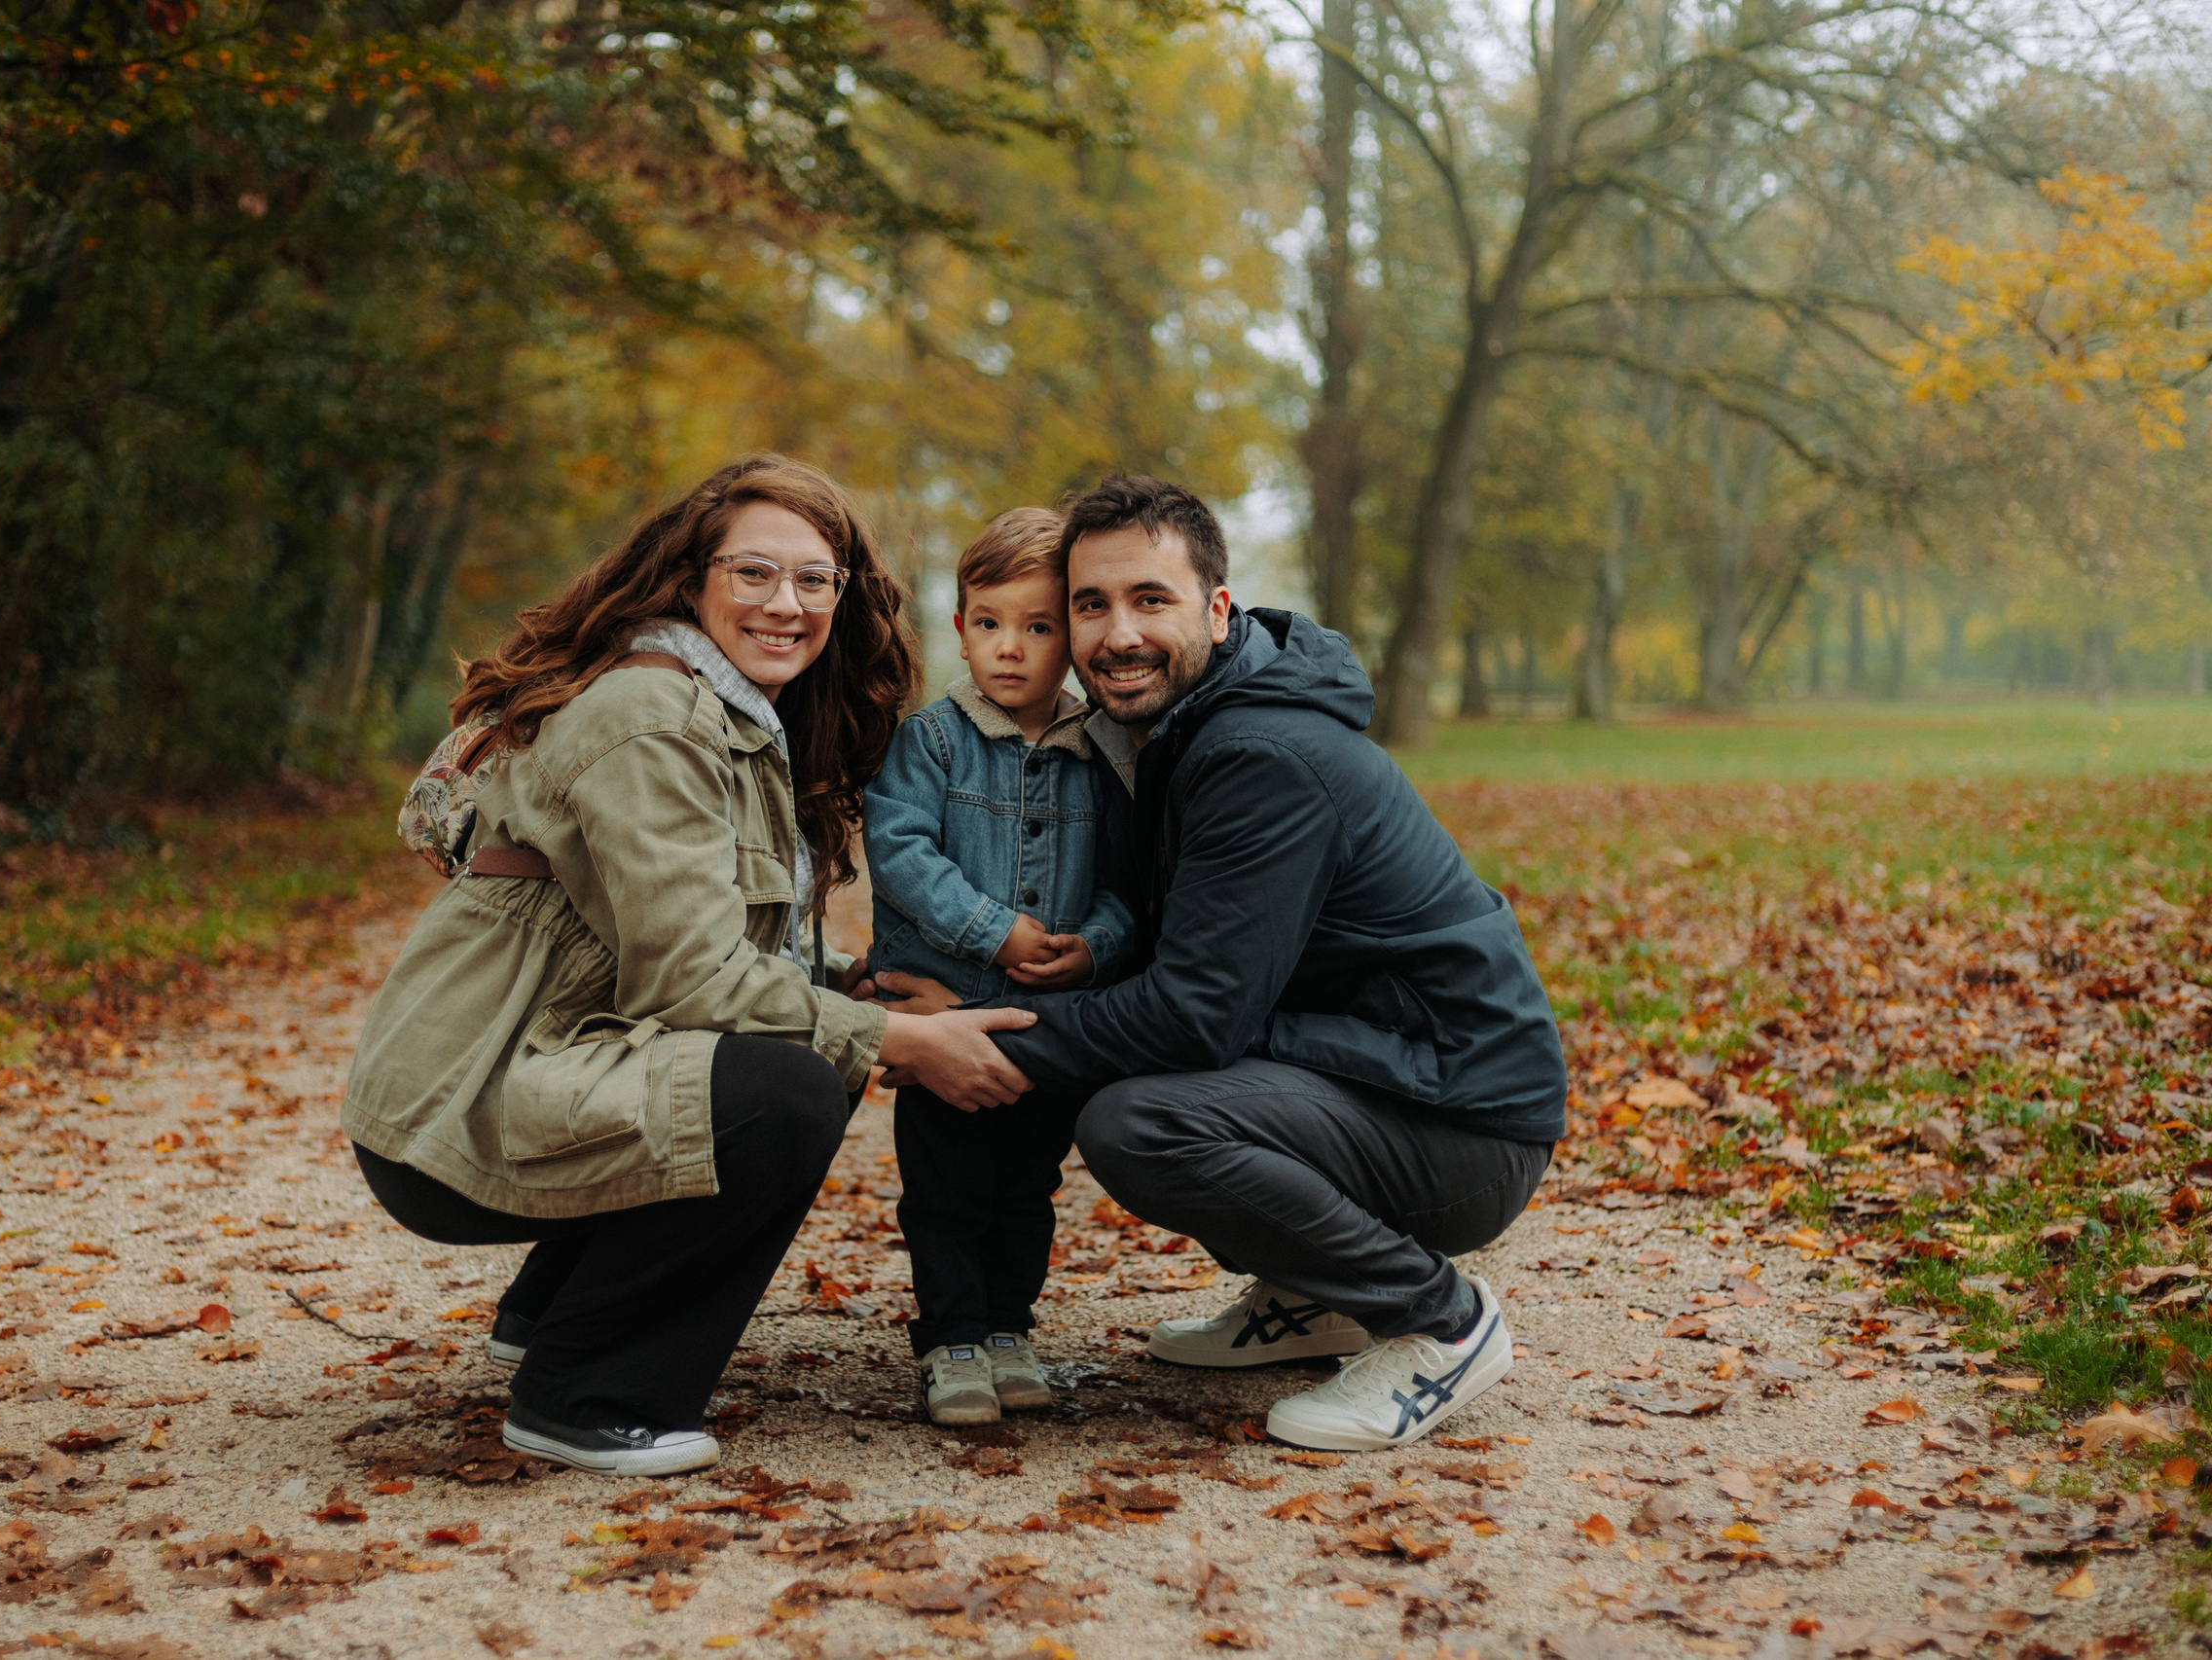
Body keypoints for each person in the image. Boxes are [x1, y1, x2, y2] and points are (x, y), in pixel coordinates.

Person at [341, 455, 1037, 1478]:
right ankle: (586, 1392)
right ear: (692, 573)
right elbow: (691, 980)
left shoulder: (724, 714)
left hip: (521, 1071)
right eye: (753, 571)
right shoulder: (652, 716)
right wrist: (900, 1040)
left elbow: (707, 943)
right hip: (460, 1106)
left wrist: (858, 985)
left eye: (815, 580)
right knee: (791, 1089)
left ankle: (549, 1315)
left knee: (809, 1036)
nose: (785, 603)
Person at [876, 475, 1568, 1452]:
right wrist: (927, 991)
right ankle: (1310, 1298)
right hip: (1369, 1075)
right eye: (1090, 604)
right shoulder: (1173, 731)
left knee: (1140, 1118)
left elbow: (1196, 1015)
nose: (1118, 633)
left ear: (1217, 607)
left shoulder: (1259, 753)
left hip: (1459, 1119)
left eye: (1149, 599)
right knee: (1138, 1077)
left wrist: (976, 1037)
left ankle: (1436, 1320)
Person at [860, 507, 1136, 1427]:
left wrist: (1094, 942)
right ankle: (951, 1340)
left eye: (1038, 626)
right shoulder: (933, 741)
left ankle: (1010, 1327)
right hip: (949, 1015)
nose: (1009, 649)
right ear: (960, 627)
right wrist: (996, 932)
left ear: (1074, 633)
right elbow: (901, 854)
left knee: (1027, 1187)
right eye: (989, 624)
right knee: (944, 1191)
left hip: (1048, 1028)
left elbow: (1131, 880)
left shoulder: (1103, 754)